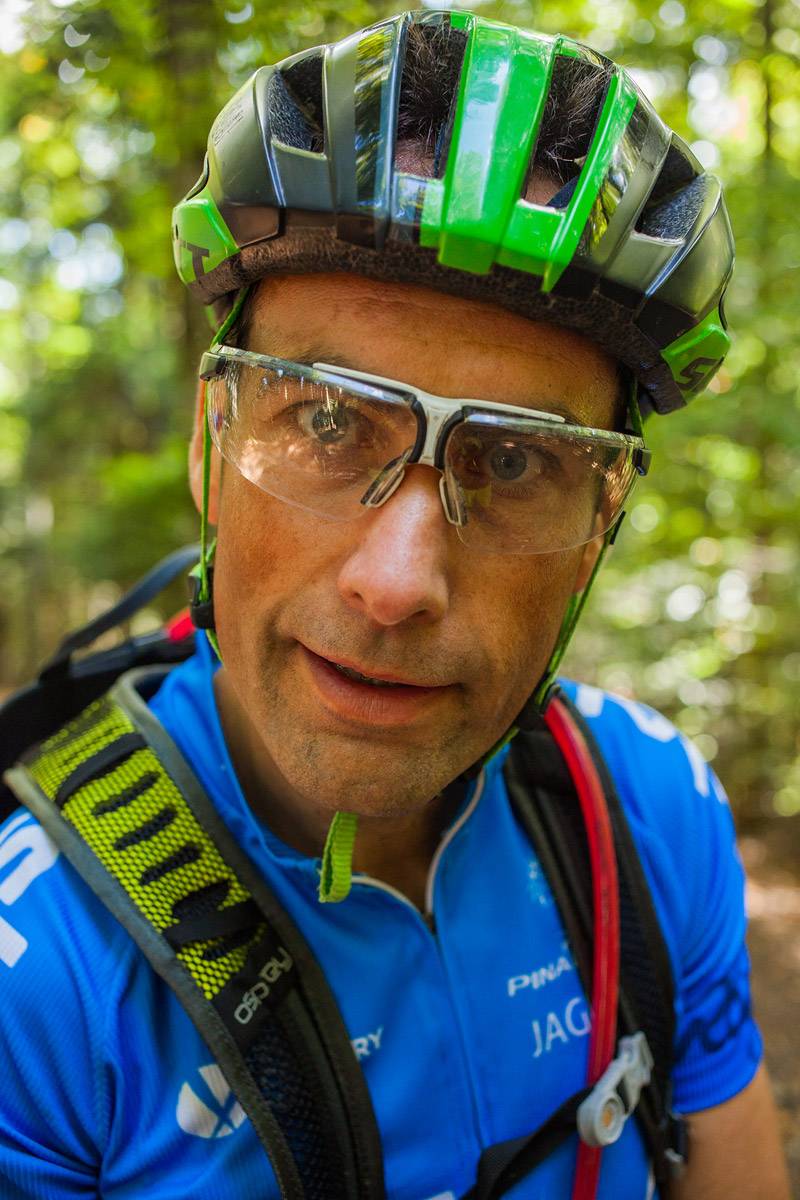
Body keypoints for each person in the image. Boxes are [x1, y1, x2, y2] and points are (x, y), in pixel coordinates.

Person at [0, 10, 791, 1199]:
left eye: (515, 460)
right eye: (324, 420)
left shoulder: (648, 809)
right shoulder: (33, 983)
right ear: (210, 446)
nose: (396, 581)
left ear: (598, 530)